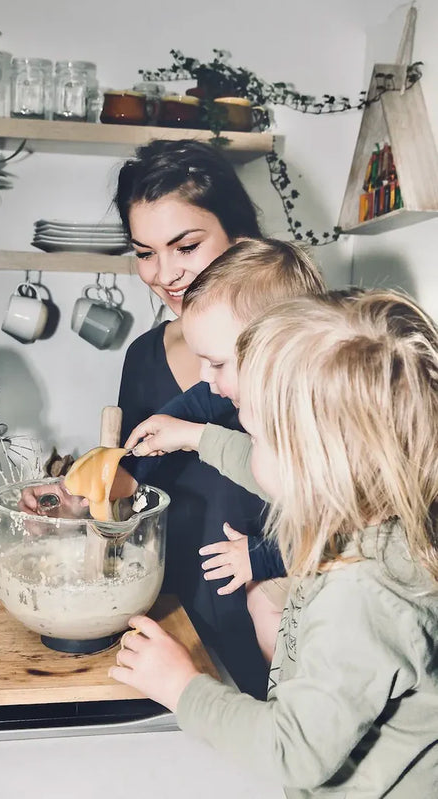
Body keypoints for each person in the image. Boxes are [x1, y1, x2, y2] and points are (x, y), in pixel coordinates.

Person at [111, 288, 438, 797]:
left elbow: (293, 751)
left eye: (259, 435)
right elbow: (267, 473)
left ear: (314, 465)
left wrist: (183, 687)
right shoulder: (369, 511)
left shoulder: (360, 596)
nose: (249, 440)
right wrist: (196, 437)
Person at [114, 139, 271, 696]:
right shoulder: (142, 356)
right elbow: (137, 476)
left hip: (271, 611)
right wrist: (81, 492)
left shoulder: (305, 346)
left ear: (241, 236)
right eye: (145, 252)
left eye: (186, 246)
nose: (164, 274)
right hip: (177, 613)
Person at [125, 237, 327, 662]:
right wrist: (180, 429)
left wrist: (262, 556)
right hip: (310, 563)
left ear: (278, 351)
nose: (205, 376)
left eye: (216, 363)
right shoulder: (268, 389)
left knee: (269, 608)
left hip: (329, 568)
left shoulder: (323, 424)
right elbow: (202, 400)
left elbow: (339, 530)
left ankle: (289, 707)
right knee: (263, 602)